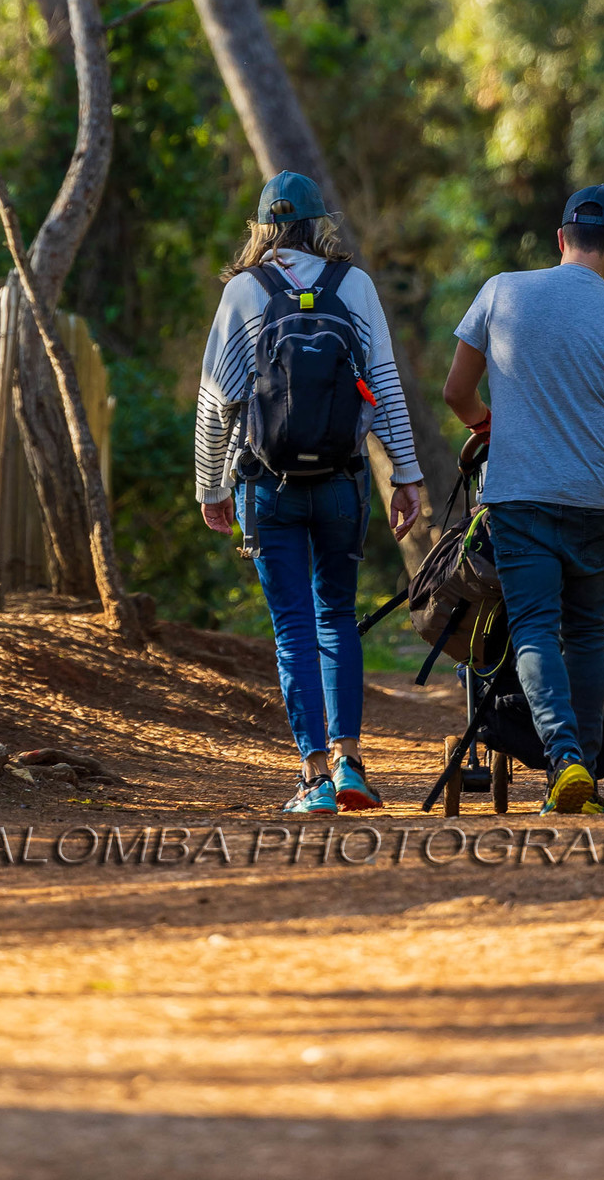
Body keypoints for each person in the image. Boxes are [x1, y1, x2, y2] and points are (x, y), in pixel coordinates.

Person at [195, 171, 424, 816]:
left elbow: (218, 400)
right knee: (337, 620)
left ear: (263, 229)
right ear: (323, 224)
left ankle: (314, 777)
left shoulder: (244, 290)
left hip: (267, 487)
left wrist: (210, 486)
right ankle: (352, 764)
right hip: (344, 485)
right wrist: (404, 476)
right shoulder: (355, 286)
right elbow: (385, 388)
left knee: (292, 626)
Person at [442, 184, 604, 819]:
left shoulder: (501, 291)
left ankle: (563, 762)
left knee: (534, 626)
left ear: (561, 238)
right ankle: (583, 771)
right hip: (596, 502)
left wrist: (491, 426)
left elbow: (457, 393)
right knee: (586, 634)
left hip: (519, 501)